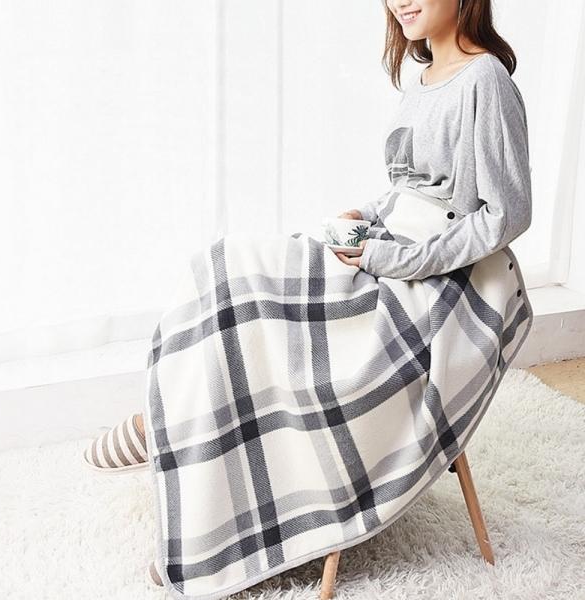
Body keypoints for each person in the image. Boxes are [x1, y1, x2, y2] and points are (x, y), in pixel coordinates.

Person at [83, 0, 534, 594]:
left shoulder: (486, 80)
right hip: (386, 249)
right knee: (228, 269)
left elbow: (506, 214)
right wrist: (364, 216)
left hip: (438, 284)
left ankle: (180, 468)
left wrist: (395, 259)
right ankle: (174, 429)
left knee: (257, 303)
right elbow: (408, 190)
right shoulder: (423, 78)